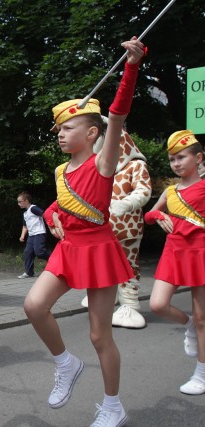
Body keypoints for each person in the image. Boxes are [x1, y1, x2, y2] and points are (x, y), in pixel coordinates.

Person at [23, 37, 146, 427]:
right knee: (33, 306)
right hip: (69, 248)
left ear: (92, 133)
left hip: (98, 249)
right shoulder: (61, 171)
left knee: (99, 336)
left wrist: (131, 66)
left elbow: (119, 112)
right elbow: (65, 202)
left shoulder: (104, 162)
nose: (60, 133)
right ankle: (66, 363)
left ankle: (113, 405)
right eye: (58, 128)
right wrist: (54, 217)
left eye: (68, 127)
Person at [147, 130, 205, 395]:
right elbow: (149, 213)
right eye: (172, 159)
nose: (176, 163)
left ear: (199, 158)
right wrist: (158, 216)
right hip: (173, 252)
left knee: (204, 317)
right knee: (158, 304)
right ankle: (188, 323)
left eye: (181, 157)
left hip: (200, 251)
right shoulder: (170, 190)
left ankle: (201, 374)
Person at [80, 122, 152, 330]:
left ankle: (129, 305)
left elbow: (143, 190)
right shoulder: (102, 168)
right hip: (102, 228)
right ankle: (106, 297)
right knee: (102, 264)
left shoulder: (135, 165)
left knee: (128, 264)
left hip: (127, 227)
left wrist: (126, 203)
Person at [17, 191, 51, 279]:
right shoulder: (25, 213)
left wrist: (51, 225)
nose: (18, 204)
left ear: (26, 201)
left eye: (20, 202)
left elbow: (44, 214)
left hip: (39, 233)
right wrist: (22, 236)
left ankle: (54, 258)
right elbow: (25, 226)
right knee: (27, 253)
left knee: (40, 252)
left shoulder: (33, 208)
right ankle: (29, 272)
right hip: (31, 236)